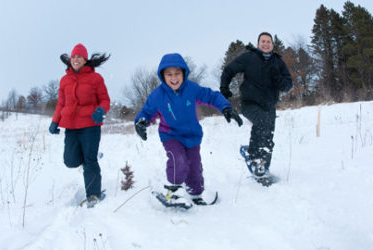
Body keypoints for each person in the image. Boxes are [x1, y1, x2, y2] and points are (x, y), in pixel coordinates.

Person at [134, 53, 243, 206]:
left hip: (192, 136)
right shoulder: (157, 95)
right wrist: (141, 122)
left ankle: (195, 193)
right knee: (178, 160)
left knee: (194, 165)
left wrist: (225, 107)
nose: (174, 78)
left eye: (177, 73)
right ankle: (173, 191)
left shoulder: (191, 89)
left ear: (183, 73)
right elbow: (146, 112)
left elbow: (211, 96)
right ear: (163, 76)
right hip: (170, 135)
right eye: (169, 74)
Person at [220, 32, 293, 180]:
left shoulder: (277, 62)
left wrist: (277, 77)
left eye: (268, 41)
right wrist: (224, 88)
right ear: (258, 44)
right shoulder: (249, 58)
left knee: (269, 134)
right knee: (262, 121)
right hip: (249, 103)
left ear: (272, 44)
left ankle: (264, 165)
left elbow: (288, 85)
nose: (266, 44)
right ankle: (254, 157)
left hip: (269, 105)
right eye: (263, 41)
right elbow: (229, 70)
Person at [49, 43, 111, 208]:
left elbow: (105, 100)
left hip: (90, 124)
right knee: (69, 160)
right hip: (71, 126)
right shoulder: (64, 80)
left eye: (79, 56)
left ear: (85, 59)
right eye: (74, 56)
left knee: (90, 162)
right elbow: (61, 103)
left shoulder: (95, 78)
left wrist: (100, 110)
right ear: (70, 60)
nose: (76, 59)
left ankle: (93, 195)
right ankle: (89, 157)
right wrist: (55, 121)